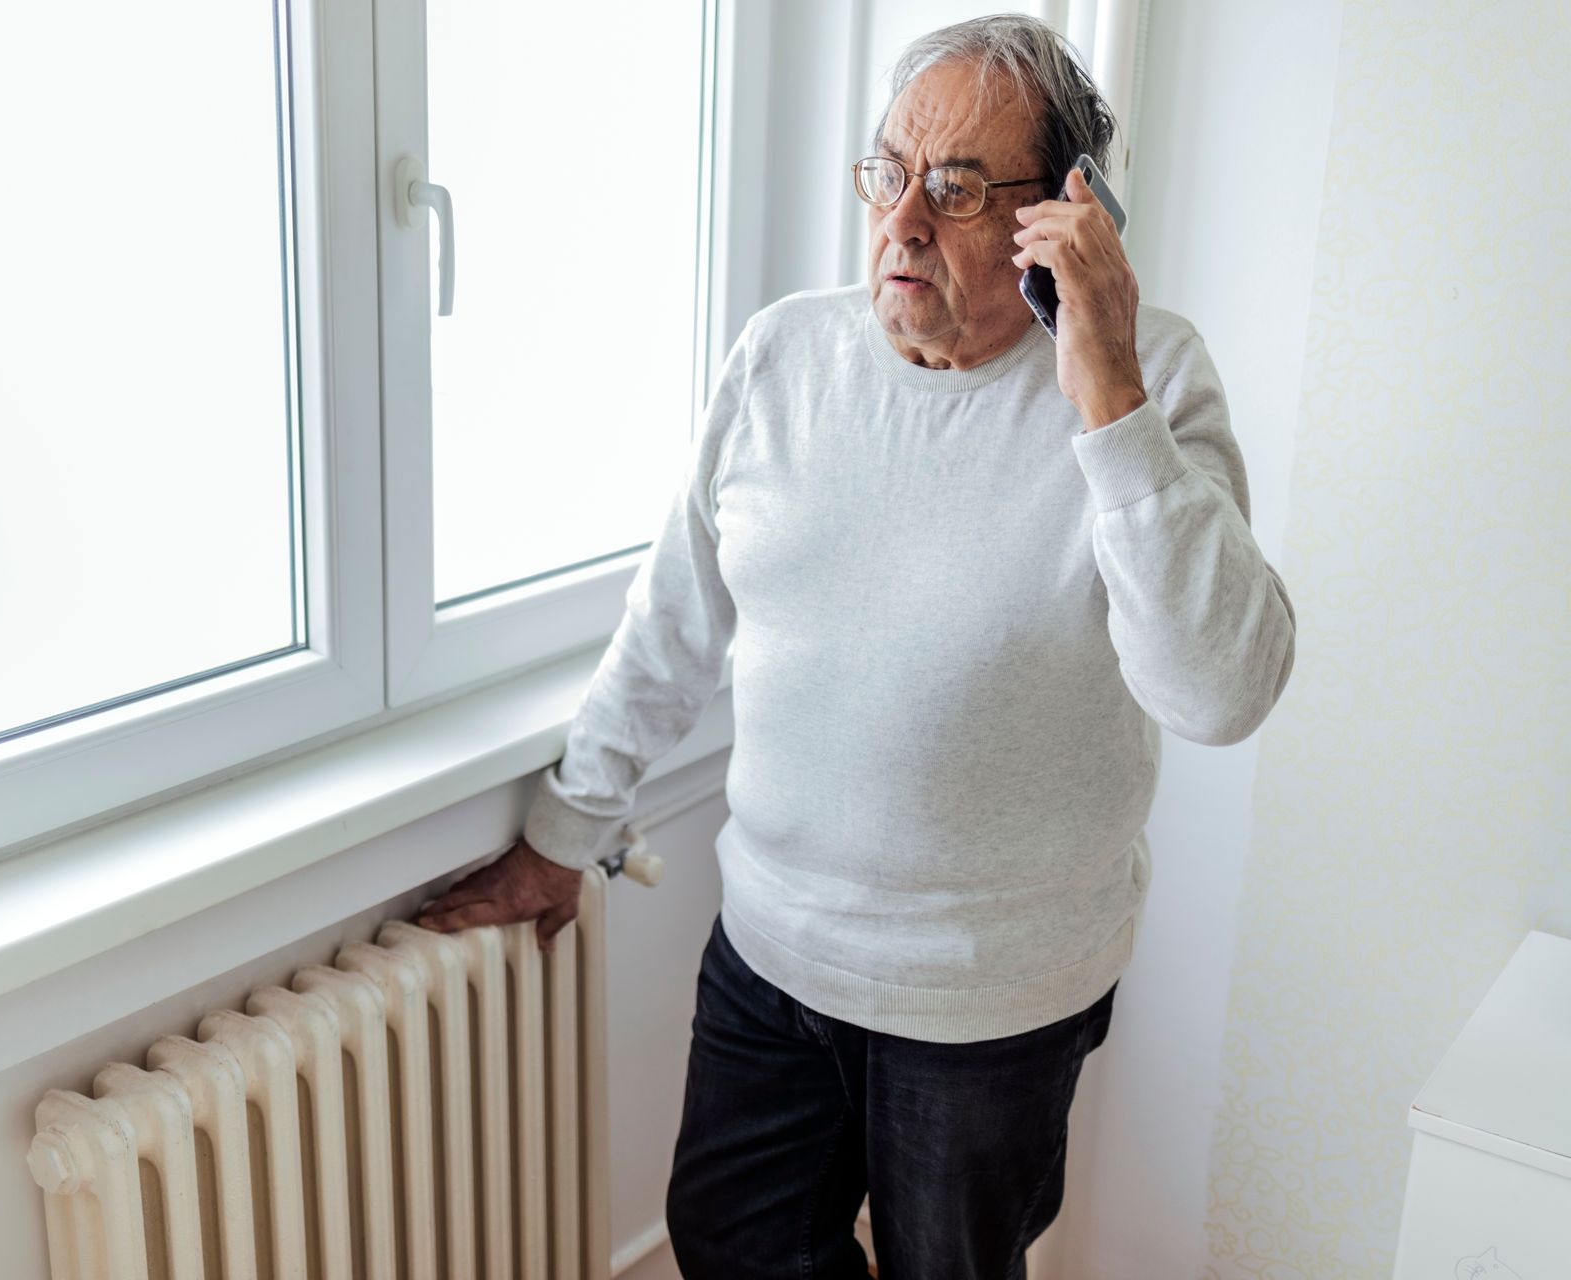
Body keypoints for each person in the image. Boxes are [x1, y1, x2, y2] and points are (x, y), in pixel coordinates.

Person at [418, 13, 1296, 1278]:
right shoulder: (782, 355)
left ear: (1064, 213)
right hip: (771, 953)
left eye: (955, 188)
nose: (903, 223)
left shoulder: (1143, 378)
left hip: (991, 1006)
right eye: (890, 172)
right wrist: (568, 832)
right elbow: (676, 620)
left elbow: (1220, 690)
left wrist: (1105, 396)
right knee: (729, 1241)